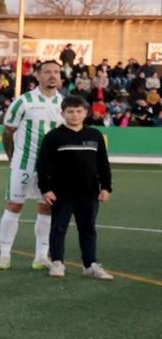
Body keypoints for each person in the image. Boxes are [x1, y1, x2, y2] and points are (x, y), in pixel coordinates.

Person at [0, 58, 64, 271]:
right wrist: (12, 158)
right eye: (47, 72)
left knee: (47, 208)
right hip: (24, 164)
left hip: (52, 168)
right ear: (38, 75)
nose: (52, 75)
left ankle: (41, 256)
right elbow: (8, 132)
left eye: (56, 72)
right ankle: (5, 255)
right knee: (15, 205)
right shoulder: (23, 101)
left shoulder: (64, 104)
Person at [37, 94, 114, 280]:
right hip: (62, 193)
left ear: (86, 113)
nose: (75, 115)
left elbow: (103, 163)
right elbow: (43, 165)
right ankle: (57, 263)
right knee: (58, 228)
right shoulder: (53, 136)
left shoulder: (94, 135)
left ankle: (90, 265)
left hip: (89, 192)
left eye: (79, 111)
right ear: (62, 113)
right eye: (70, 111)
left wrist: (106, 187)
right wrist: (46, 188)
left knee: (88, 229)